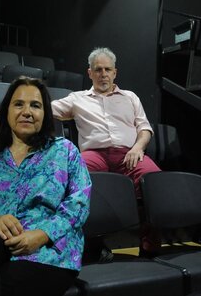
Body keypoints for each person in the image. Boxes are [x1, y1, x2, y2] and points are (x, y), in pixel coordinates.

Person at [0, 77, 91, 296]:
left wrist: (42, 234)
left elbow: (79, 204)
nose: (27, 111)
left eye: (35, 105)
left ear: (45, 114)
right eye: (18, 104)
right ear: (6, 111)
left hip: (49, 251)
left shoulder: (65, 151)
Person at [51, 47, 161, 256]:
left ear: (115, 72)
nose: (103, 74)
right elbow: (46, 109)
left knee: (153, 179)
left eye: (108, 69)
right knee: (71, 176)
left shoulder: (130, 97)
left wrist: (138, 147)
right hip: (94, 155)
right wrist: (18, 108)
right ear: (90, 73)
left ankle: (150, 245)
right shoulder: (77, 98)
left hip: (129, 154)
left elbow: (145, 129)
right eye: (98, 69)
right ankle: (85, 244)